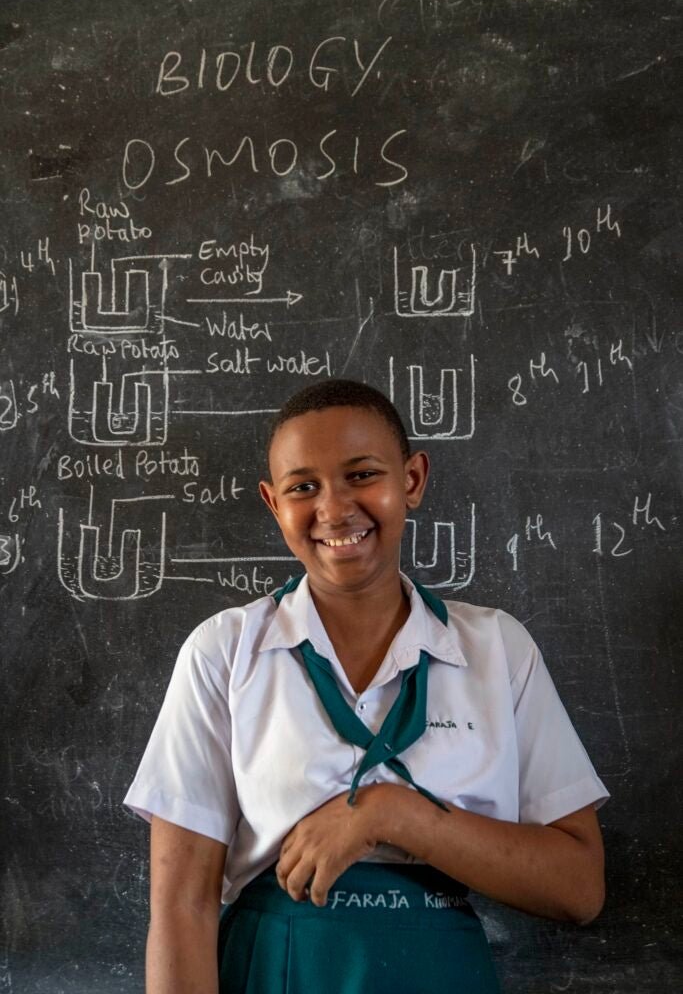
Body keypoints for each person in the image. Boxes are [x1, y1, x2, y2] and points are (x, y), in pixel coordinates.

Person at [124, 378, 609, 994]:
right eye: (304, 487)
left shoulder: (496, 649)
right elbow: (181, 906)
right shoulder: (225, 652)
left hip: (441, 971)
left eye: (361, 475)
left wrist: (394, 813)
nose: (334, 509)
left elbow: (579, 888)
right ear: (275, 505)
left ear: (411, 480)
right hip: (278, 967)